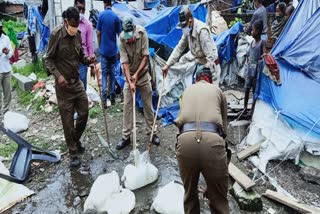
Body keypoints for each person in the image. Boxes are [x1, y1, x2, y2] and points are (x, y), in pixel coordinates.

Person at [45, 7, 95, 167]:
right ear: (66, 21)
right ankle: (73, 151)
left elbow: (80, 56)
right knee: (67, 121)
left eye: (77, 24)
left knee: (84, 112)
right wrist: (58, 76)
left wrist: (88, 59)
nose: (75, 28)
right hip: (63, 87)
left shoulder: (78, 35)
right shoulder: (56, 34)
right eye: (72, 25)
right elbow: (48, 60)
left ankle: (75, 139)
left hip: (77, 83)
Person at [175, 66, 229, 214]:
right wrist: (212, 185)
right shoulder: (218, 91)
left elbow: (180, 124)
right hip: (212, 141)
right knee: (219, 198)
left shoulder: (186, 91)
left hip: (185, 142)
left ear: (196, 79)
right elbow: (224, 131)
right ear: (210, 80)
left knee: (190, 194)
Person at [116, 17, 160, 150]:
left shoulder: (142, 33)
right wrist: (130, 80)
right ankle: (126, 137)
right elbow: (124, 62)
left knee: (148, 105)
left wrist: (136, 75)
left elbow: (145, 57)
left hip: (142, 74)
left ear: (134, 29)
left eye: (131, 36)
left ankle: (152, 133)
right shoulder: (122, 38)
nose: (129, 40)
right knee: (128, 105)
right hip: (130, 77)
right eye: (127, 37)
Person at [161, 6, 221, 85]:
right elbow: (179, 48)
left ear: (190, 21)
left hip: (211, 67)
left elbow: (211, 58)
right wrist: (167, 65)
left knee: (210, 93)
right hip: (199, 63)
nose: (183, 28)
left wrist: (208, 75)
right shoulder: (187, 31)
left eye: (184, 26)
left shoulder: (202, 31)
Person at [96, 0, 122, 108]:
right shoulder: (116, 17)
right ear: (110, 4)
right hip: (113, 51)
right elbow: (120, 35)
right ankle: (112, 98)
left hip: (104, 51)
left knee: (104, 74)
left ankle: (104, 99)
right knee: (112, 74)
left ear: (104, 4)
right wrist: (120, 50)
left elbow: (98, 33)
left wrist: (100, 45)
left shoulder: (101, 16)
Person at [244, 20, 266, 115]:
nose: (251, 32)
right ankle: (245, 108)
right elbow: (249, 55)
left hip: (256, 72)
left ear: (257, 31)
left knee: (254, 91)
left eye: (253, 30)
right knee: (246, 89)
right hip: (249, 71)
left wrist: (262, 58)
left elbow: (264, 54)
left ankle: (252, 110)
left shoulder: (262, 42)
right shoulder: (252, 42)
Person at [74, 0, 95, 90]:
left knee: (82, 86)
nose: (81, 12)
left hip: (83, 60)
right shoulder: (67, 22)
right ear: (74, 6)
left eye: (83, 9)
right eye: (79, 9)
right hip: (70, 60)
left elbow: (90, 45)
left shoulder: (87, 25)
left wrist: (92, 65)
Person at [0, 21, 13, 116]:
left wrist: (7, 52)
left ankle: (6, 112)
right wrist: (1, 52)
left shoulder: (6, 38)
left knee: (7, 93)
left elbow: (10, 54)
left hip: (6, 70)